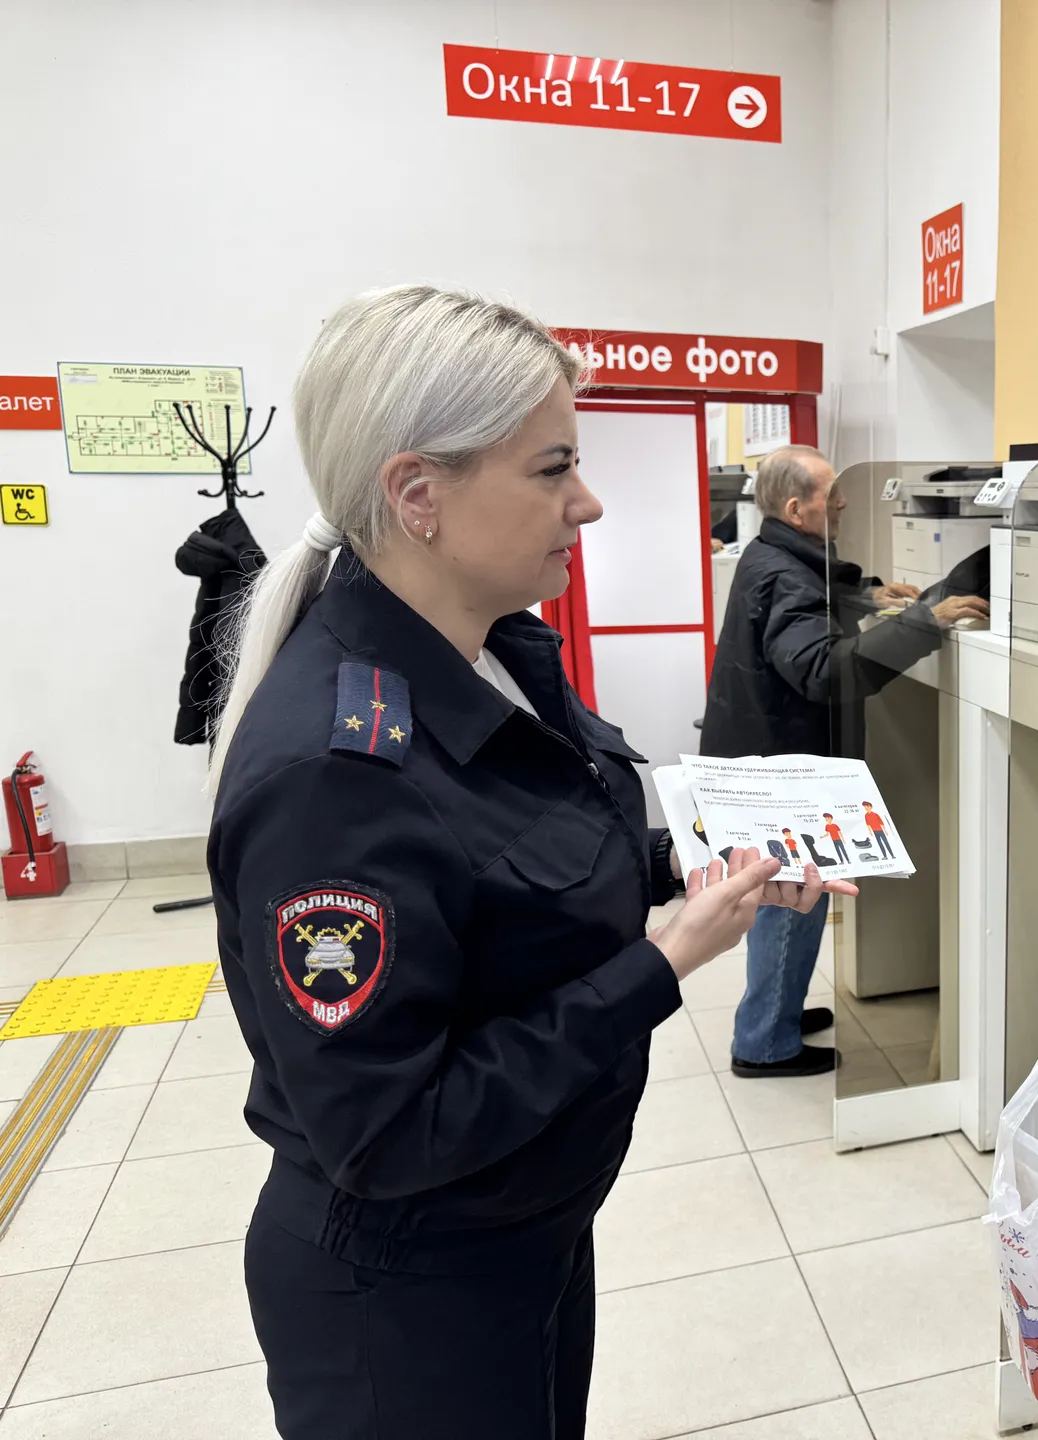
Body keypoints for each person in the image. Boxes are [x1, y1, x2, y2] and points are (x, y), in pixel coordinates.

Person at [206, 284, 849, 1440]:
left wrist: (692, 863)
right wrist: (662, 965)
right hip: (408, 1289)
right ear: (418, 495)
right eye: (553, 468)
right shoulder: (337, 773)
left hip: (524, 1224)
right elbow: (389, 1131)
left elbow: (529, 848)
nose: (588, 503)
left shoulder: (495, 651)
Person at [701, 444, 988, 1077]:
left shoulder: (778, 553)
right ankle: (763, 1044)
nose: (844, 503)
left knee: (792, 900)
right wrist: (925, 623)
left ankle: (775, 1010)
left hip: (772, 751)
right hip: (782, 766)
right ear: (797, 507)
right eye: (832, 496)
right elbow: (822, 668)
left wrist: (868, 595)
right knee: (789, 900)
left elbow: (820, 588)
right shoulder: (784, 573)